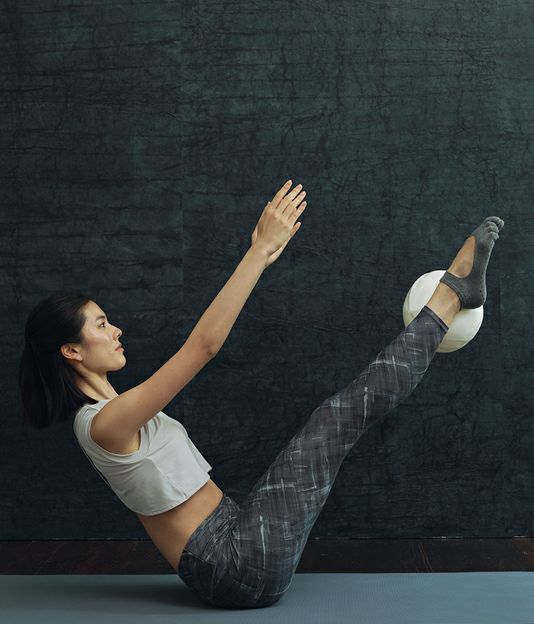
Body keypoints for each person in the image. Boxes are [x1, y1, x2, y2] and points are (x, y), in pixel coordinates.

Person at [18, 179, 504, 609]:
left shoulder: (110, 414)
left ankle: (451, 299)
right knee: (334, 421)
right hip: (233, 567)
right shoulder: (103, 424)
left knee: (332, 421)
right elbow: (203, 347)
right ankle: (449, 298)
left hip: (236, 537)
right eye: (102, 324)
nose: (116, 330)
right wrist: (256, 253)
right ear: (71, 350)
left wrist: (263, 253)